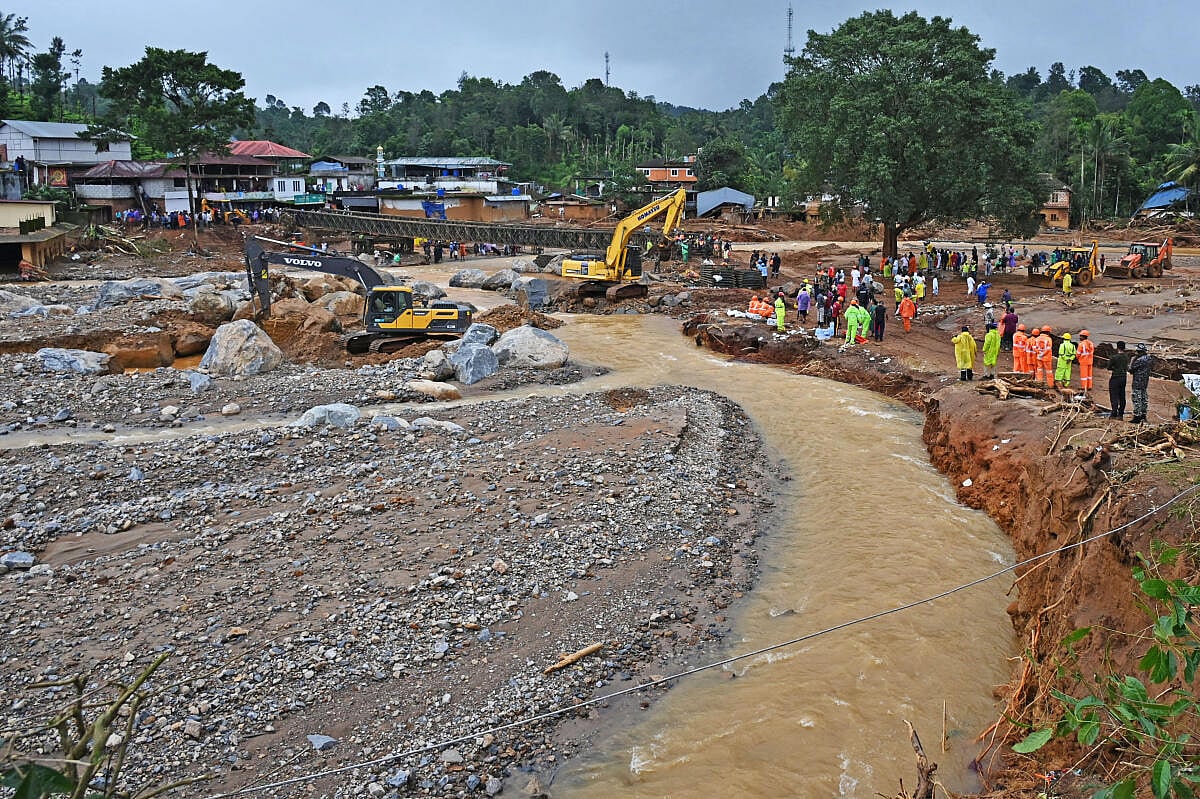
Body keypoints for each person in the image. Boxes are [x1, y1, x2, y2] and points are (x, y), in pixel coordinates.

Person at [1130, 344, 1152, 423]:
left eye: (1137, 352)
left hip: (1137, 382)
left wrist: (1132, 360)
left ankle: (1137, 417)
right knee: (1143, 399)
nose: (1136, 353)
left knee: (1136, 399)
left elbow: (1131, 369)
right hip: (1145, 382)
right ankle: (1143, 415)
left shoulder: (1139, 360)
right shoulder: (1149, 359)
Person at [1108, 341, 1129, 419]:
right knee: (1122, 395)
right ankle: (1120, 414)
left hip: (1115, 377)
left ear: (1117, 347)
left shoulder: (1114, 357)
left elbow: (1109, 367)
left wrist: (1114, 368)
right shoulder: (1126, 357)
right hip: (1123, 377)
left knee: (1114, 395)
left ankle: (1114, 413)